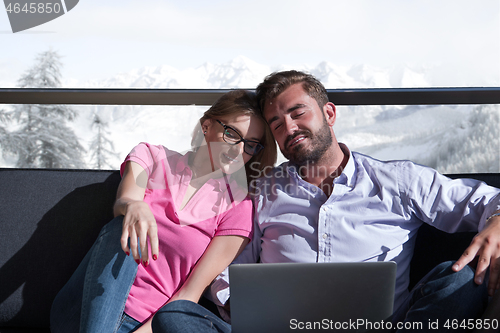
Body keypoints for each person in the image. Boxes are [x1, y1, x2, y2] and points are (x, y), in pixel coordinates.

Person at [152, 70, 500, 333]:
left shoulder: (399, 180)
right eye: (276, 123)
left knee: (460, 279)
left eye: (298, 113)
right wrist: (244, 308)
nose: (288, 128)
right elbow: (229, 273)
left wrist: (496, 225)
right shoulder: (262, 191)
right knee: (175, 316)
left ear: (329, 114)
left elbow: (488, 201)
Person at [49, 89, 277, 333]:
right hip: (82, 309)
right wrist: (133, 205)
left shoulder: (238, 207)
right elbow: (123, 201)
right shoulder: (152, 156)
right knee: (123, 224)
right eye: (232, 134)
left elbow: (189, 294)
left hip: (143, 326)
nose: (238, 150)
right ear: (206, 126)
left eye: (250, 145)